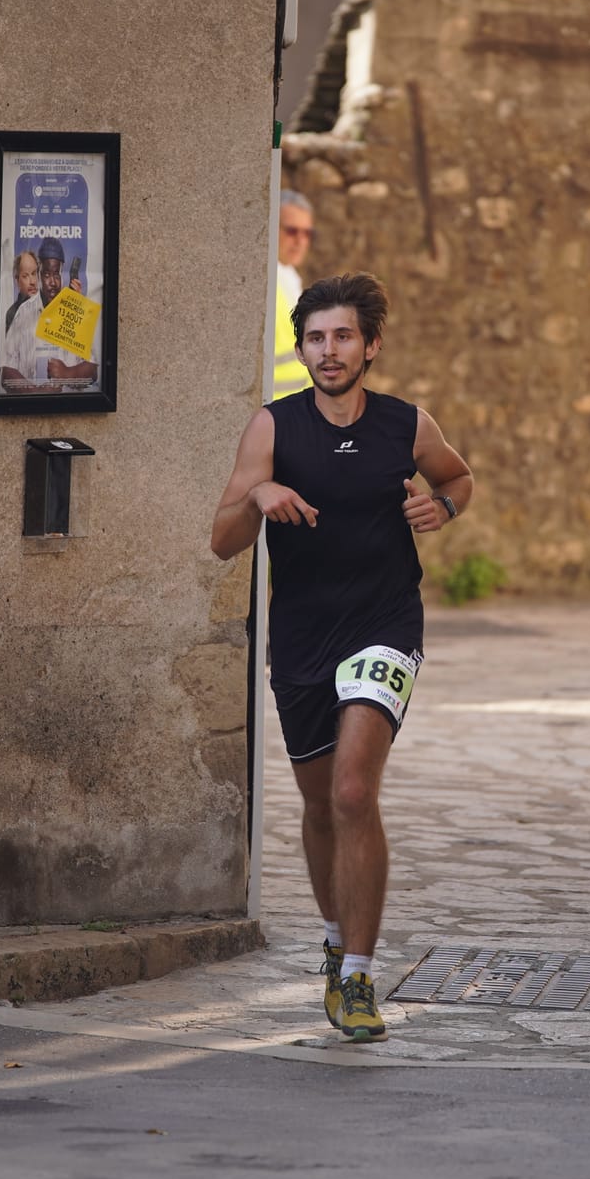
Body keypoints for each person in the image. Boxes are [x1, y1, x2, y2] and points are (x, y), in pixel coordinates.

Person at [211, 271, 474, 1043]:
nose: (330, 351)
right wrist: (256, 499)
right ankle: (335, 936)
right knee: (322, 805)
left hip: (385, 624)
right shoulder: (273, 429)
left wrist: (444, 504)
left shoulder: (405, 424)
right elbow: (221, 539)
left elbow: (459, 474)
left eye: (344, 336)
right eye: (316, 338)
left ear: (371, 345)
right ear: (302, 349)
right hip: (300, 639)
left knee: (356, 791)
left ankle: (359, 974)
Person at [36, 236, 96, 384]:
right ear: (38, 275)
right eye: (46, 274)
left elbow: (94, 371)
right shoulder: (24, 313)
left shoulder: (75, 310)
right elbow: (6, 372)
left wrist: (68, 373)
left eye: (56, 274)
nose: (52, 282)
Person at [271, 191, 314, 398]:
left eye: (307, 233)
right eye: (291, 231)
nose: (300, 241)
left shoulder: (289, 277)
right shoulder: (267, 282)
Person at [0, 250, 48, 389]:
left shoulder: (47, 304)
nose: (32, 281)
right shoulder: (13, 313)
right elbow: (9, 365)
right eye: (25, 276)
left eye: (34, 274)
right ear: (17, 281)